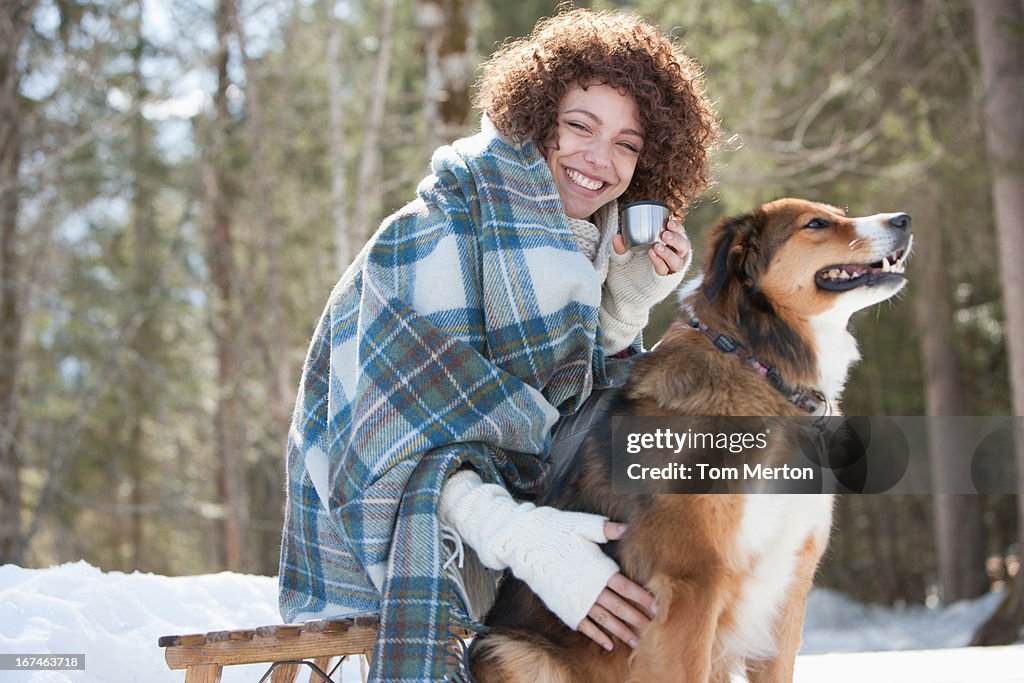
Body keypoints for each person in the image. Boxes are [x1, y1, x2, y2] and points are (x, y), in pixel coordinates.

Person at [278, 7, 719, 681]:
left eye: (629, 144)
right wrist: (531, 543)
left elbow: (569, 411)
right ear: (536, 119)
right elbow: (395, 439)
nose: (600, 160)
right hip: (392, 528)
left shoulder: (584, 251)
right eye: (579, 126)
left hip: (510, 528)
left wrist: (627, 303)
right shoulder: (436, 228)